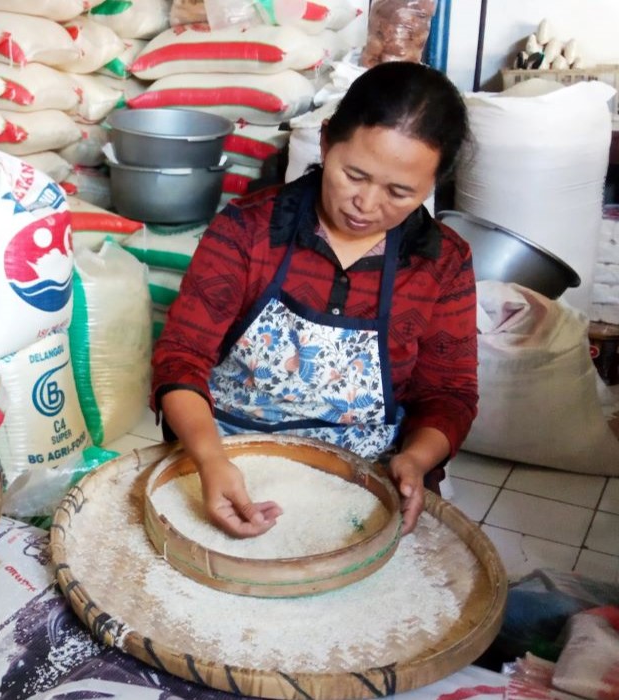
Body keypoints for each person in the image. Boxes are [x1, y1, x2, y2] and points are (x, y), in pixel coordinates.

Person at [152, 61, 477, 539]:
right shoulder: (248, 231)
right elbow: (180, 357)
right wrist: (209, 457)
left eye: (399, 192)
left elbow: (448, 394)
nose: (366, 204)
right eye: (354, 175)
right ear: (325, 143)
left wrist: (415, 459)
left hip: (365, 479)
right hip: (228, 460)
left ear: (433, 185)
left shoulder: (442, 261)